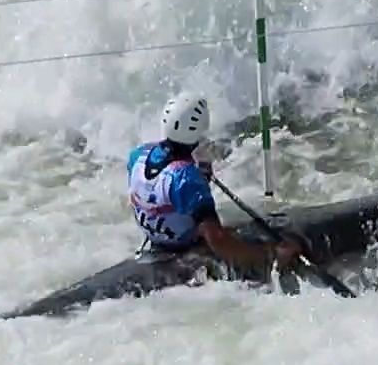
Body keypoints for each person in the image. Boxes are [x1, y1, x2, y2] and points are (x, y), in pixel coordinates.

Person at [127, 95, 303, 274]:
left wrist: (198, 174)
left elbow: (157, 189)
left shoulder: (138, 155)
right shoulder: (186, 178)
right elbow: (218, 241)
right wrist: (272, 255)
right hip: (182, 245)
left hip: (157, 239)